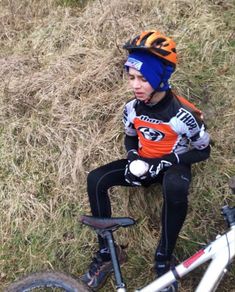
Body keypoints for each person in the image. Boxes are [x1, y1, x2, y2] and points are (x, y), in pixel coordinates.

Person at [81, 30, 211, 291]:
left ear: (160, 79)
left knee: (175, 186)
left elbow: (203, 151)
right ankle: (108, 254)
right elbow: (130, 137)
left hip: (173, 165)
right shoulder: (131, 108)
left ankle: (163, 258)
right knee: (96, 179)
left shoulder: (184, 114)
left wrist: (166, 161)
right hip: (143, 162)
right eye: (131, 78)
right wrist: (132, 157)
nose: (135, 85)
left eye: (143, 78)